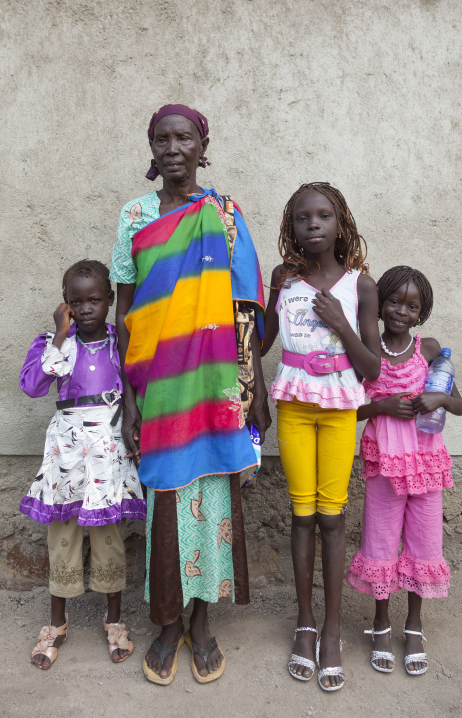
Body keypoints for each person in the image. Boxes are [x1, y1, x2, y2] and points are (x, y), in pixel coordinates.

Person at [110, 104, 269, 685]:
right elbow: (125, 310)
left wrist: (253, 388)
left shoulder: (224, 215)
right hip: (158, 386)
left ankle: (203, 623)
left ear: (204, 144)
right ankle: (168, 623)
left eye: (183, 137)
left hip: (217, 384)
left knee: (216, 500)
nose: (172, 147)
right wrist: (129, 401)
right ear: (150, 148)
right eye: (161, 139)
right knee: (167, 502)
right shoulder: (135, 215)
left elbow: (244, 308)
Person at [261, 182, 380, 691]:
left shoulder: (360, 285)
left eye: (323, 216)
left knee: (333, 517)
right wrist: (267, 293)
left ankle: (332, 630)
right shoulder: (284, 278)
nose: (313, 224)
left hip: (337, 411)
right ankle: (305, 622)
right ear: (291, 228)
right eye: (303, 218)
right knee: (302, 514)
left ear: (340, 223)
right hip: (293, 404)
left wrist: (340, 323)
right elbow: (262, 340)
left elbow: (372, 366)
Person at [20, 260, 146, 669]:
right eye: (77, 301)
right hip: (67, 454)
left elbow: (140, 382)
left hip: (108, 451)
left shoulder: (119, 341)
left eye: (94, 299)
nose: (87, 308)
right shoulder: (53, 342)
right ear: (66, 305)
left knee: (109, 532)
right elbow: (34, 385)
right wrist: (60, 333)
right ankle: (57, 623)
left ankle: (114, 619)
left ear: (110, 300)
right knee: (63, 532)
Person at [346, 266, 462, 676]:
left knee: (424, 544)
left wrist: (439, 400)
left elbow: (459, 404)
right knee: (380, 542)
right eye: (394, 301)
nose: (401, 311)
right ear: (380, 304)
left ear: (421, 313)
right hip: (385, 464)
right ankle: (380, 622)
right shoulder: (367, 350)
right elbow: (350, 409)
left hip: (428, 463)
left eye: (411, 306)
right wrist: (380, 406)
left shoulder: (429, 351)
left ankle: (413, 625)